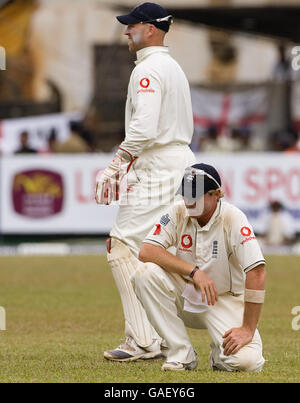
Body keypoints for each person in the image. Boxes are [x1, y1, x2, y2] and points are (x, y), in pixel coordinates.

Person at [95, 2, 195, 361]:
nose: (126, 31)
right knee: (156, 250)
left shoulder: (148, 70)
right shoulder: (172, 67)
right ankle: (161, 337)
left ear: (150, 29)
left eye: (132, 26)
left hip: (158, 166)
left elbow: (145, 126)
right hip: (178, 162)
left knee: (121, 244)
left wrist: (117, 163)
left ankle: (143, 340)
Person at [132, 163, 266, 372]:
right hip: (187, 293)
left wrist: (248, 329)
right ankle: (181, 354)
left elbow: (257, 271)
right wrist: (194, 272)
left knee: (247, 363)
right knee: (144, 273)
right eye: (185, 194)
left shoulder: (233, 218)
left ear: (217, 194)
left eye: (195, 195)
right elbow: (146, 251)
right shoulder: (177, 212)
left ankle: (219, 356)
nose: (188, 201)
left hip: (224, 300)